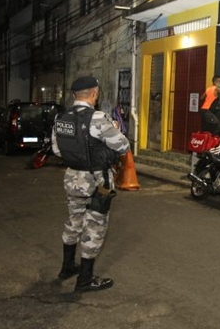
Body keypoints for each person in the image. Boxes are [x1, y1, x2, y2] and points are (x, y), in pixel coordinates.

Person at [52, 76, 130, 293]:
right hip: (98, 182)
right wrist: (114, 128)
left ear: (73, 95)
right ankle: (85, 279)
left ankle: (67, 267)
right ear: (94, 94)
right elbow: (123, 146)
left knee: (74, 222)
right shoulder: (97, 118)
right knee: (94, 227)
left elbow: (57, 150)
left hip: (72, 179)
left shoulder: (61, 117)